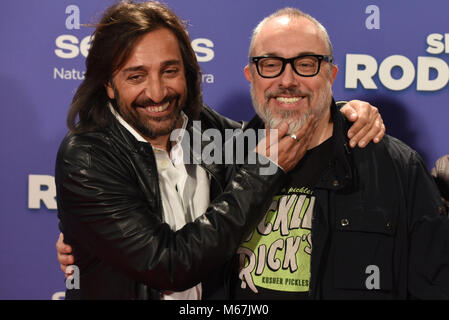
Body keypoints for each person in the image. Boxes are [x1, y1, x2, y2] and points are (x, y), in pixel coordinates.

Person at [55, 1, 385, 300]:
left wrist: (342, 114)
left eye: (169, 71)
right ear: (108, 85)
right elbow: (170, 266)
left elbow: (282, 124)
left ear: (187, 73)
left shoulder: (204, 129)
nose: (156, 93)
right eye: (136, 76)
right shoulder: (86, 157)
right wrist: (262, 172)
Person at [223, 7, 449, 300]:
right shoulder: (221, 164)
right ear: (251, 75)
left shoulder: (397, 167)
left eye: (306, 64)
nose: (288, 80)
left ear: (331, 74)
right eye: (270, 64)